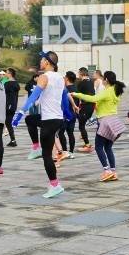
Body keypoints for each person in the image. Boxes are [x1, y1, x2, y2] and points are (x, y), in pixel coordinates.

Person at [13, 51, 72, 198]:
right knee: (30, 120)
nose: (40, 62)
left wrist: (21, 112)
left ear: (47, 62)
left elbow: (33, 96)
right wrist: (67, 114)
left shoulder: (44, 77)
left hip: (49, 120)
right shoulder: (60, 78)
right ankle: (35, 148)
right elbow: (64, 98)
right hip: (57, 119)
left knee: (47, 156)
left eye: (42, 59)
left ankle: (55, 185)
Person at [73, 71, 126, 182]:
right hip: (113, 121)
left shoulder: (107, 91)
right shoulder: (115, 90)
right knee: (108, 147)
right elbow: (103, 102)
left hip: (105, 122)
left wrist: (76, 94)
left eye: (103, 78)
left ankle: (107, 171)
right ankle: (113, 171)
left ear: (106, 80)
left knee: (98, 147)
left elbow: (93, 99)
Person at [57, 71, 80, 160]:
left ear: (67, 78)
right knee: (70, 133)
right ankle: (71, 152)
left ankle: (65, 151)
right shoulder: (76, 88)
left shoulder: (65, 89)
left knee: (61, 133)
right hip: (73, 114)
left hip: (66, 114)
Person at [76, 67, 96, 152]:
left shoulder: (82, 83)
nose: (78, 75)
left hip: (86, 106)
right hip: (91, 106)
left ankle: (87, 145)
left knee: (81, 126)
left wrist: (76, 106)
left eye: (79, 73)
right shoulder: (91, 81)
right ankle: (85, 139)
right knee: (82, 124)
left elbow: (77, 95)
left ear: (81, 73)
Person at [24, 74, 42, 160]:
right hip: (32, 101)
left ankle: (59, 152)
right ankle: (36, 147)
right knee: (30, 118)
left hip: (51, 116)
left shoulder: (42, 85)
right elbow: (27, 88)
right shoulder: (30, 83)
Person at [4, 68, 20, 147]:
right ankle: (13, 140)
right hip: (14, 105)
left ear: (10, 74)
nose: (5, 74)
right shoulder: (16, 83)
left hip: (8, 105)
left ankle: (13, 140)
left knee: (7, 122)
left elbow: (3, 95)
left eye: (6, 73)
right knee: (8, 122)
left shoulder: (8, 84)